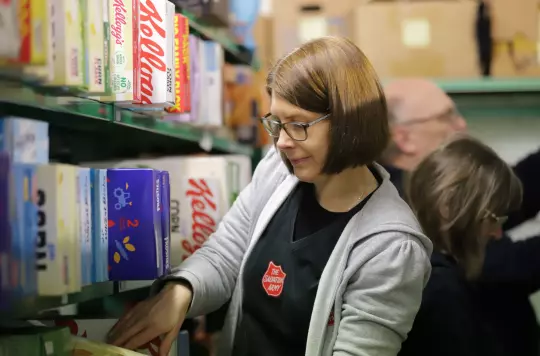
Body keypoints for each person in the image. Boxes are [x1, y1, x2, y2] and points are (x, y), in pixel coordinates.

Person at [107, 37, 432, 356]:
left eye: (299, 125)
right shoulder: (277, 171)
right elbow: (224, 255)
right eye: (277, 123)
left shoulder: (392, 248)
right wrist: (180, 292)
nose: (283, 142)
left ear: (349, 123)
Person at [382, 78, 540, 356]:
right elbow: (499, 266)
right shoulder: (402, 207)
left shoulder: (418, 191)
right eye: (446, 117)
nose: (461, 125)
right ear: (403, 138)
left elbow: (513, 196)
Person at [398, 134, 523, 356]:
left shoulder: (411, 265)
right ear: (451, 210)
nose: (497, 233)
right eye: (494, 219)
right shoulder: (442, 290)